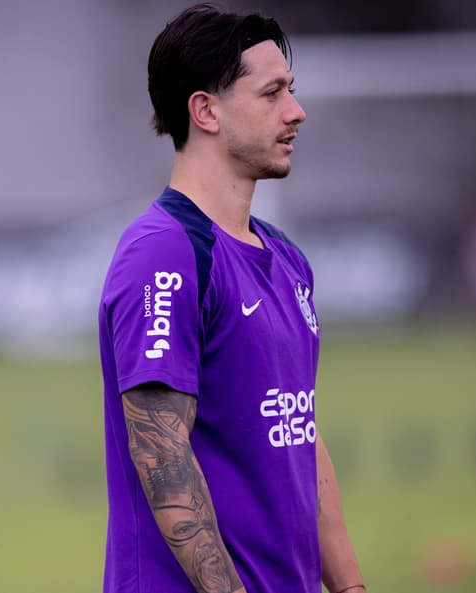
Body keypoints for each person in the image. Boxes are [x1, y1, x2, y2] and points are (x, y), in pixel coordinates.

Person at [97, 4, 364, 593]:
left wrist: (348, 585)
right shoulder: (164, 254)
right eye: (271, 93)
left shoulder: (286, 259)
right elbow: (163, 456)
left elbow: (299, 434)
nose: (295, 111)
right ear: (206, 111)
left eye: (290, 90)